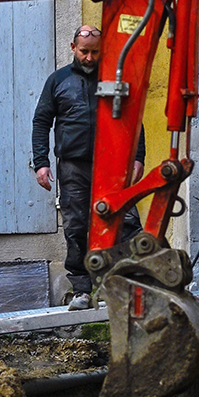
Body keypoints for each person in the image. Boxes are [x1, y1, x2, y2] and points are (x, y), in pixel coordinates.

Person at [32, 24, 145, 310]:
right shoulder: (57, 81)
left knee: (126, 222)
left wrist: (137, 157)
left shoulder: (114, 78)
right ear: (73, 48)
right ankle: (82, 290)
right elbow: (41, 121)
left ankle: (123, 286)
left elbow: (133, 117)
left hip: (113, 164)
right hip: (73, 167)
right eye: (84, 52)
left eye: (95, 52)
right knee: (76, 227)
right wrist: (41, 163)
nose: (90, 57)